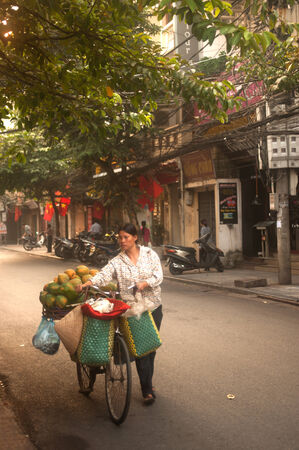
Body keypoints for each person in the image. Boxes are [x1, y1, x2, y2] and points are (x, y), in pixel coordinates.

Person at [77, 223, 163, 405]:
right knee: (141, 349)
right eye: (120, 238)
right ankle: (147, 390)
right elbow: (104, 275)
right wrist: (89, 283)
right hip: (133, 310)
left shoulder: (149, 254)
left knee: (152, 347)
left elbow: (159, 275)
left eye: (125, 237)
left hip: (154, 306)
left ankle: (148, 380)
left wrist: (145, 283)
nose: (122, 241)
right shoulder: (117, 261)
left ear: (135, 237)